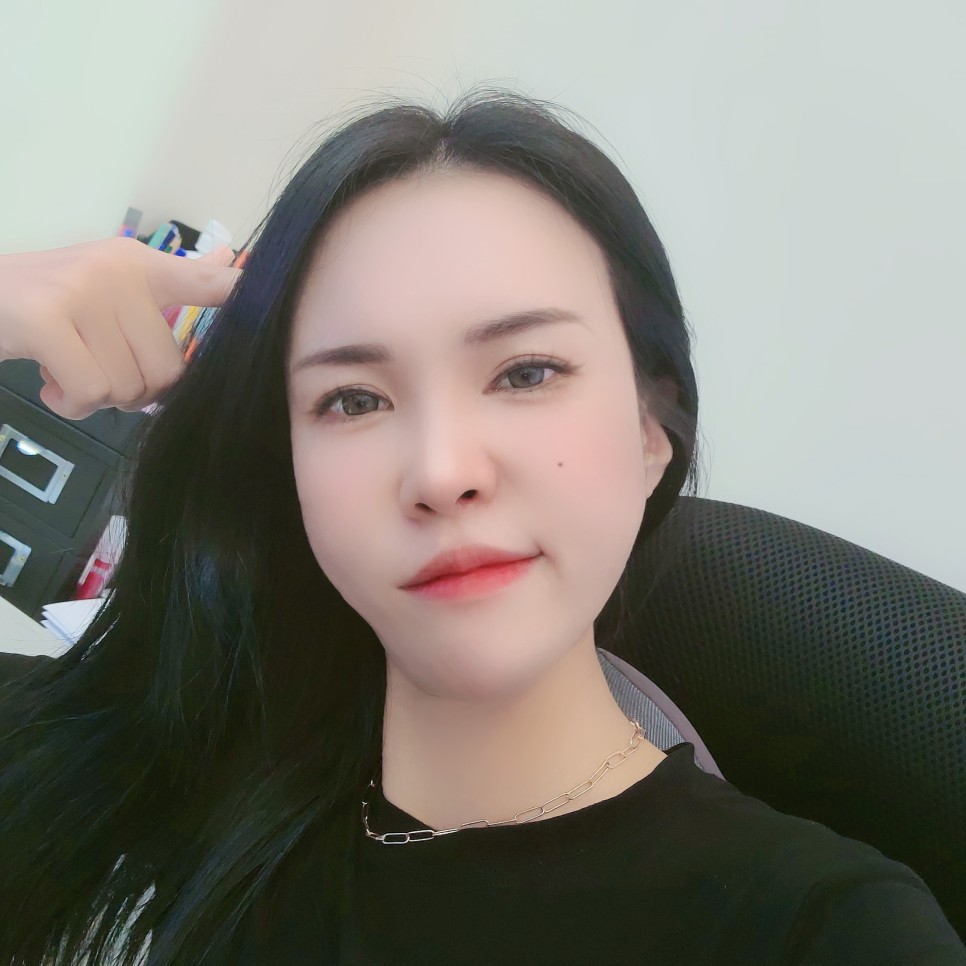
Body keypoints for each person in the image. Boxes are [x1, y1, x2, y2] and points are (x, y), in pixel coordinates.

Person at [0, 89, 961, 965]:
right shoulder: (120, 766)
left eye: (526, 372)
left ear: (650, 434)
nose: (442, 471)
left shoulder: (823, 928)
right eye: (353, 399)